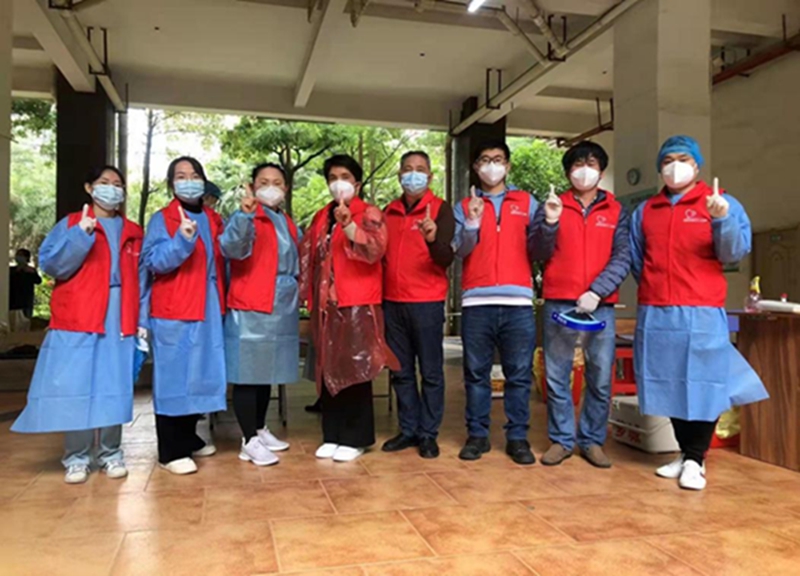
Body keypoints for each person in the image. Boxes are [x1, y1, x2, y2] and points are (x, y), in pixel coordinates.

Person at [630, 135, 768, 491]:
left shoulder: (721, 203)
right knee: (668, 382)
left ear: (697, 164)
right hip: (657, 308)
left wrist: (721, 220)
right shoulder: (646, 211)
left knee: (704, 383)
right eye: (668, 160)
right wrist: (656, 285)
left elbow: (733, 253)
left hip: (702, 308)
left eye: (683, 159)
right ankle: (684, 452)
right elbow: (637, 258)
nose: (675, 166)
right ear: (659, 167)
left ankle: (696, 458)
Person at [12, 166, 144, 484]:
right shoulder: (72, 223)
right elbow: (52, 265)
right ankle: (77, 457)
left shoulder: (132, 231)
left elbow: (143, 279)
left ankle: (111, 453)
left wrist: (142, 319)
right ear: (89, 187)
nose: (112, 188)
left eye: (117, 184)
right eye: (104, 182)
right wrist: (80, 236)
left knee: (114, 385)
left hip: (119, 314)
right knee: (77, 386)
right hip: (80, 313)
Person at [536, 141, 631, 468]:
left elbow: (623, 256)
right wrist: (549, 223)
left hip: (600, 305)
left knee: (600, 375)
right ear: (568, 172)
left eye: (591, 164)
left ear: (601, 171)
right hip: (559, 303)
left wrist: (598, 291)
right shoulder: (553, 204)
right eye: (578, 164)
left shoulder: (617, 210)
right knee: (557, 375)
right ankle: (561, 440)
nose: (584, 170)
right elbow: (537, 252)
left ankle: (591, 440)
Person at [299, 154, 395, 463]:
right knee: (328, 367)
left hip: (358, 302)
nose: (337, 183)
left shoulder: (369, 213)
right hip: (327, 305)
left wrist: (349, 226)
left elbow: (375, 250)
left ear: (357, 182)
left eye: (344, 177)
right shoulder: (321, 216)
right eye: (332, 177)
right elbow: (310, 258)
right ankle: (332, 434)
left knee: (356, 369)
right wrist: (308, 295)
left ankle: (356, 437)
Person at [452, 140, 540, 465]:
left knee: (519, 374)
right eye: (485, 160)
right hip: (477, 302)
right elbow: (460, 250)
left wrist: (551, 223)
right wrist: (472, 222)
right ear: (476, 167)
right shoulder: (464, 205)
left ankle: (517, 438)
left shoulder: (527, 202)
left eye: (498, 159)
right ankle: (477, 435)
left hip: (518, 303)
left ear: (508, 165)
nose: (492, 165)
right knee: (476, 374)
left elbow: (540, 246)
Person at [141, 156, 227, 475]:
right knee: (174, 379)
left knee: (201, 375)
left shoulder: (214, 219)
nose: (188, 181)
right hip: (175, 307)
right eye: (181, 175)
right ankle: (170, 450)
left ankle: (189, 436)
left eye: (194, 175)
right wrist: (183, 240)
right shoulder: (161, 219)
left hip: (208, 307)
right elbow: (154, 261)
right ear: (171, 183)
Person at [220, 163, 300, 467]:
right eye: (263, 182)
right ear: (253, 187)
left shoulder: (286, 221)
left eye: (277, 182)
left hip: (281, 303)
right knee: (248, 374)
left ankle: (259, 428)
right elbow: (232, 248)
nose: (271, 187)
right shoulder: (247, 216)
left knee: (267, 371)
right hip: (252, 302)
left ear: (286, 188)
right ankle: (248, 440)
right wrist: (244, 216)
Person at [381, 151, 454, 459]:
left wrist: (432, 238)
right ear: (400, 175)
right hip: (392, 302)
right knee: (401, 371)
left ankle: (428, 433)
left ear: (430, 176)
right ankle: (408, 429)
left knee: (431, 372)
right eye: (408, 169)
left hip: (426, 302)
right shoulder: (388, 211)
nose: (414, 174)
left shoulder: (441, 209)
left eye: (420, 169)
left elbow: (446, 258)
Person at [8, 248, 42, 332]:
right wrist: (17, 271)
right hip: (13, 302)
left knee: (25, 325)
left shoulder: (31, 271)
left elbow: (38, 281)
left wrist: (31, 273)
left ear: (26, 258)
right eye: (17, 255)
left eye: (21, 255)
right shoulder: (11, 270)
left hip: (26, 302)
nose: (18, 257)